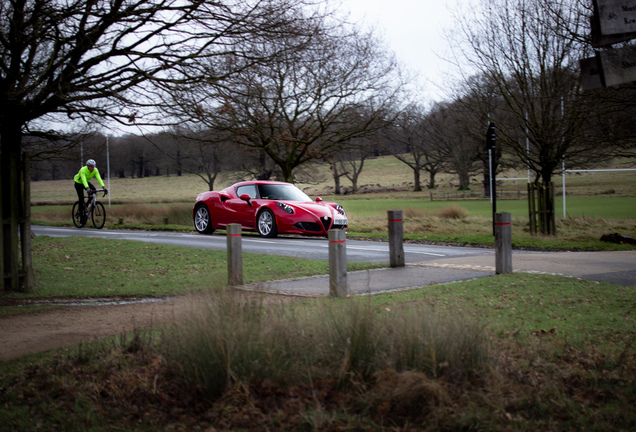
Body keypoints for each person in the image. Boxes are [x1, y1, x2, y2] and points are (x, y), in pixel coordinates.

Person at [74, 159, 107, 225]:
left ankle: (86, 206)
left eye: (94, 166)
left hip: (86, 182)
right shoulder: (83, 170)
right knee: (81, 199)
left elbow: (99, 178)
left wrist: (104, 187)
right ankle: (82, 217)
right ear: (88, 166)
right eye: (92, 166)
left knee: (94, 190)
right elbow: (83, 180)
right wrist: (87, 188)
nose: (93, 168)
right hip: (78, 183)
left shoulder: (95, 170)